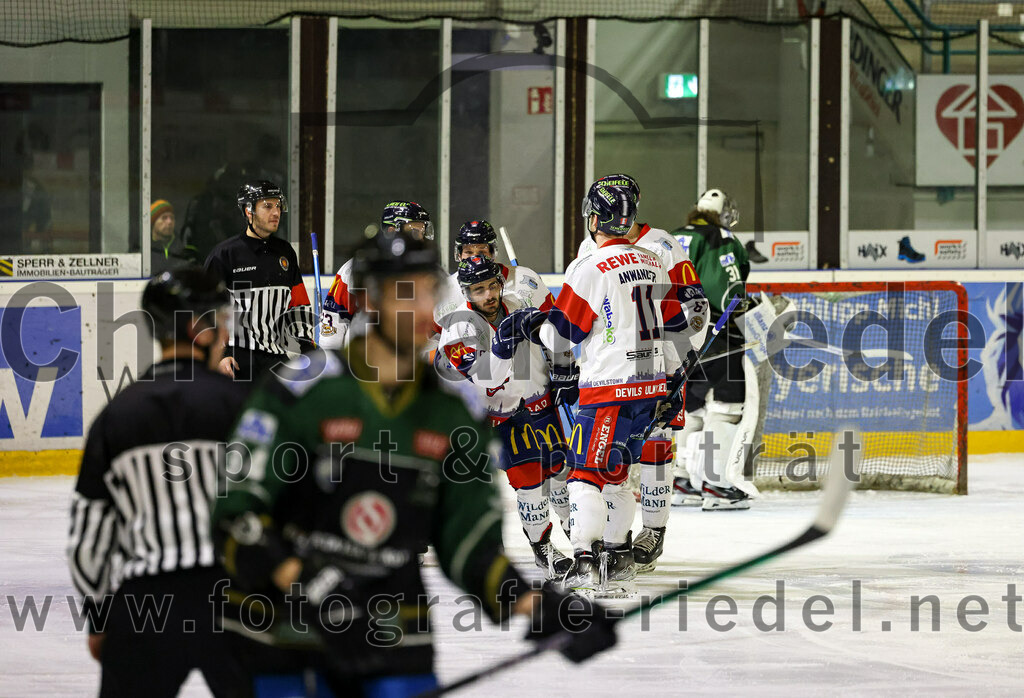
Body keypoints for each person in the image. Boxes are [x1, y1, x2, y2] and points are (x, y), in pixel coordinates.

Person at [210, 228, 616, 696]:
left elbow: (469, 544)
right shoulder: (299, 390)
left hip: (396, 636)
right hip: (284, 640)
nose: (426, 310)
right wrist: (316, 587)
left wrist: (539, 605)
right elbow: (235, 513)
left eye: (430, 292)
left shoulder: (453, 411)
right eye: (409, 294)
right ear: (372, 301)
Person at [494, 183, 689, 591]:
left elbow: (561, 337)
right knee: (616, 477)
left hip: (607, 393)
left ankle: (585, 560)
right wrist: (672, 384)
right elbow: (678, 332)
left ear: (595, 220)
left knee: (585, 478)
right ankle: (617, 559)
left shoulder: (589, 267)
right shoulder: (654, 261)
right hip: (651, 388)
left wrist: (531, 323)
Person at [66, 268, 247, 697]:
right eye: (218, 321)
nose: (224, 332)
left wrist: (100, 618)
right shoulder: (244, 406)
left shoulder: (116, 417)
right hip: (238, 605)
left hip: (147, 607)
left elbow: (88, 545)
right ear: (197, 330)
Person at [436, 255, 575, 575]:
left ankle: (581, 539)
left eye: (492, 286)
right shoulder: (457, 329)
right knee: (531, 487)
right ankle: (543, 547)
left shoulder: (517, 303)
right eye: (478, 289)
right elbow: (484, 378)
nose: (488, 295)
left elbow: (557, 335)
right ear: (466, 293)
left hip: (541, 405)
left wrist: (565, 367)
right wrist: (504, 344)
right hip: (499, 419)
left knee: (563, 477)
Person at [671, 188, 759, 510]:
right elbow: (729, 291)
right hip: (714, 331)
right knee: (727, 405)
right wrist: (747, 307)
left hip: (674, 337)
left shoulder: (672, 236)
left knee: (689, 407)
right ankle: (716, 485)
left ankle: (680, 481)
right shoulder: (722, 237)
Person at [204, 180, 315, 382]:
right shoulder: (225, 254)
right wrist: (219, 355)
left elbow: (298, 304)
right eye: (267, 206)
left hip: (276, 356)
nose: (276, 212)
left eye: (278, 206)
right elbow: (207, 310)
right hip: (237, 357)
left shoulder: (285, 252)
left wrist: (307, 348)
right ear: (248, 211)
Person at [319, 200, 433, 350]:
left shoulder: (428, 271)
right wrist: (329, 359)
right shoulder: (355, 268)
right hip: (363, 362)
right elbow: (334, 318)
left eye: (423, 231)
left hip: (411, 361)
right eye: (415, 231)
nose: (421, 238)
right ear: (392, 230)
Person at [433, 219, 556, 336]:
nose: (475, 258)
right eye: (468, 252)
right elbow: (433, 340)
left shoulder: (526, 279)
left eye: (482, 252)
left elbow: (555, 325)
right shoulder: (444, 290)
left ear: (493, 253)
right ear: (459, 255)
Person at [150, 199, 198, 275]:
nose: (169, 222)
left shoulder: (186, 248)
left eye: (172, 218)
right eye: (164, 218)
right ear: (153, 223)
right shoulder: (145, 250)